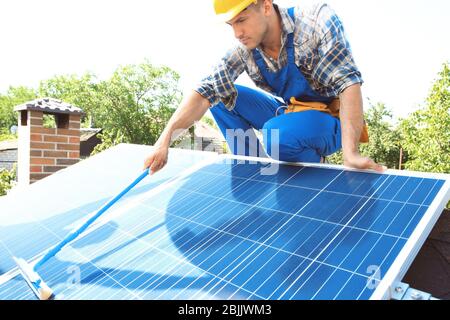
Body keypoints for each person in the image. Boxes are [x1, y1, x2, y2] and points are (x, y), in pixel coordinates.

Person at [144, 0, 385, 174]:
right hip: (289, 113)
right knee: (220, 99)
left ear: (266, 6)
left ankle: (313, 162)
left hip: (329, 121)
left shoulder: (316, 21)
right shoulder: (244, 49)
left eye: (242, 20)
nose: (237, 33)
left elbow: (348, 83)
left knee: (274, 135)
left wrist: (350, 153)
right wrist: (164, 141)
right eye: (231, 24)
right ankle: (253, 169)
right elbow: (205, 91)